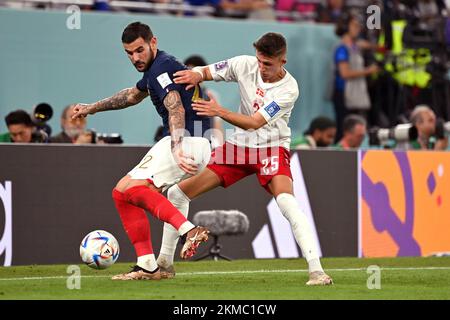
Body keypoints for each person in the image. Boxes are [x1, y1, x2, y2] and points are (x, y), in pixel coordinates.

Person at [156, 32, 333, 286]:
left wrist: (218, 110)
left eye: (268, 64)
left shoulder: (289, 89)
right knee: (176, 193)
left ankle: (317, 271)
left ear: (283, 61)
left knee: (287, 204)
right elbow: (208, 71)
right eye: (259, 61)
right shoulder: (244, 64)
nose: (262, 68)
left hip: (271, 148)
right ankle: (164, 263)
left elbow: (253, 123)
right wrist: (194, 74)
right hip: (238, 147)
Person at [71, 21, 212, 281]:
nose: (135, 57)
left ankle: (188, 231)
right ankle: (148, 264)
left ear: (153, 43)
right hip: (196, 142)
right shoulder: (156, 69)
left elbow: (176, 107)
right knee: (122, 192)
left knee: (134, 189)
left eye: (139, 50)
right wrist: (92, 107)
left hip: (186, 141)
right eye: (129, 53)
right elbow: (131, 96)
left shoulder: (161, 69)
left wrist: (178, 145)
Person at [333, 12, 379, 142]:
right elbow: (345, 73)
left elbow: (364, 44)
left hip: (353, 95)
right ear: (346, 27)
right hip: (343, 94)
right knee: (344, 129)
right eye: (354, 25)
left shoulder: (354, 46)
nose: (357, 28)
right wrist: (368, 71)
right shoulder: (342, 49)